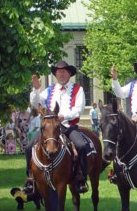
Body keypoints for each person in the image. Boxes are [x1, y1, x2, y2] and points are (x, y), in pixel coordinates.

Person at [24, 60, 90, 194]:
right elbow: (36, 103)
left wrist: (63, 116)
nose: (61, 74)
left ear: (69, 73)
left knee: (82, 146)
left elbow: (79, 109)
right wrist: (36, 89)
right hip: (50, 129)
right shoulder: (49, 90)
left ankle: (81, 178)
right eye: (59, 72)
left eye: (64, 71)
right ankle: (30, 179)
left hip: (68, 126)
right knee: (29, 147)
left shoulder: (78, 89)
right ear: (55, 75)